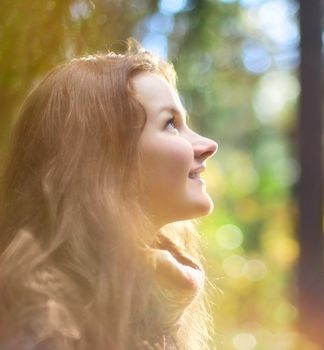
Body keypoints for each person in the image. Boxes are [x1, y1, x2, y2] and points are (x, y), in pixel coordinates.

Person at [0, 40, 218, 349]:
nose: (208, 145)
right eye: (170, 124)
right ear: (105, 160)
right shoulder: (37, 316)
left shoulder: (148, 289)